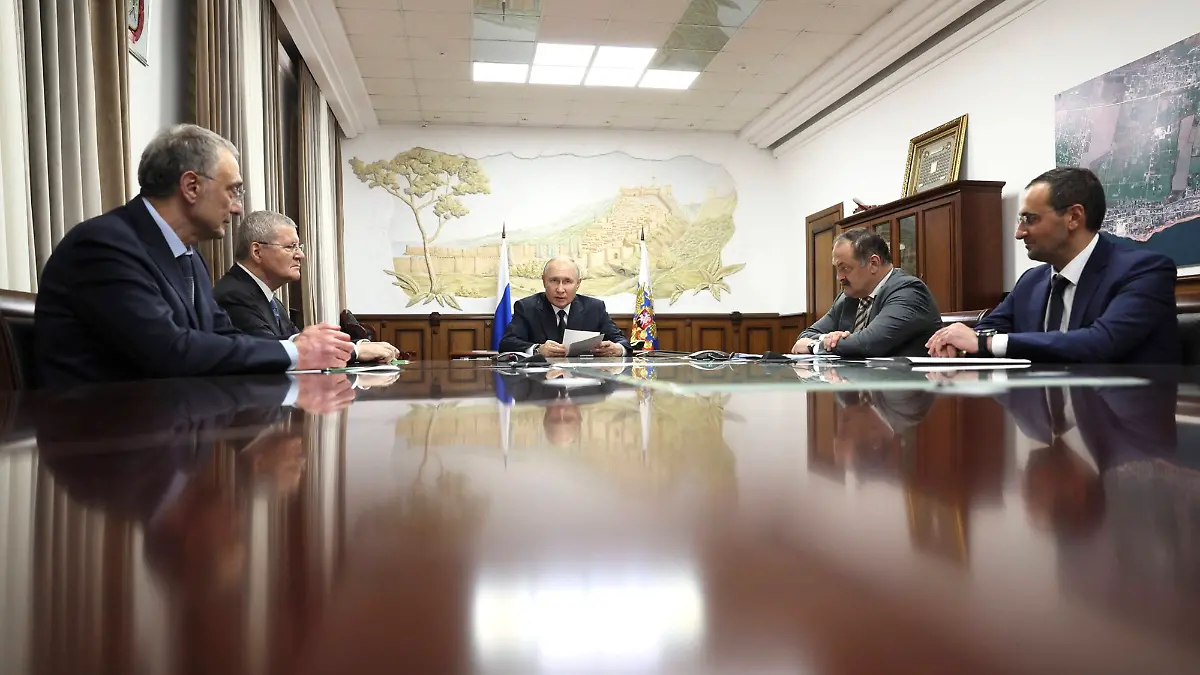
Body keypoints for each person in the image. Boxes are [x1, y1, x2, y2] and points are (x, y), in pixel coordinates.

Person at [34, 124, 354, 388]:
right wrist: (295, 353)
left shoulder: (189, 255)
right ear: (191, 186)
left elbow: (223, 335)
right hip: (101, 441)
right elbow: (167, 351)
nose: (238, 207)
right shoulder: (104, 245)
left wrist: (307, 347)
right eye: (232, 190)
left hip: (168, 429)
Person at [926, 167, 1180, 363]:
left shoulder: (1144, 271)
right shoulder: (1031, 282)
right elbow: (989, 328)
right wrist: (955, 341)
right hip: (1040, 419)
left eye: (1030, 219)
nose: (1019, 233)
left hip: (1119, 423)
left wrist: (984, 343)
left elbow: (1101, 342)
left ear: (1074, 217)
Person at [213, 210, 400, 363]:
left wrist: (360, 344)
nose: (300, 255)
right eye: (291, 247)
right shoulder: (234, 295)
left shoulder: (271, 301)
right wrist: (356, 351)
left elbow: (299, 341)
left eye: (298, 246)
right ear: (257, 251)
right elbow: (271, 351)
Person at [792, 228, 942, 357]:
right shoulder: (848, 298)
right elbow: (805, 336)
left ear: (873, 264)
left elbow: (869, 343)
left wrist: (816, 346)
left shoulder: (908, 291)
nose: (839, 277)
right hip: (858, 383)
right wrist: (826, 338)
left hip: (904, 386)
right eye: (837, 269)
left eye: (845, 268)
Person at [498, 257, 631, 357]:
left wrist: (618, 349)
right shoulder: (526, 307)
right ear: (544, 280)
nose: (560, 289)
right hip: (540, 386)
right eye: (554, 281)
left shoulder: (595, 308)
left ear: (578, 283)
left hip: (583, 387)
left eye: (567, 281)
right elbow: (507, 344)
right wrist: (537, 349)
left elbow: (623, 342)